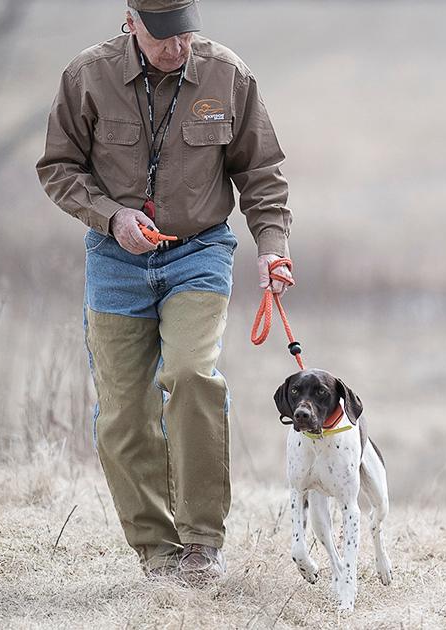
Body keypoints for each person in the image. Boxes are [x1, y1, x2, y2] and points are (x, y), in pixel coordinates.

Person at [36, 0, 294, 585]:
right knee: (124, 414)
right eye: (162, 37)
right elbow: (58, 167)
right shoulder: (86, 77)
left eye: (185, 34)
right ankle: (158, 552)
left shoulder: (228, 75)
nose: (177, 48)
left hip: (199, 253)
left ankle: (202, 542)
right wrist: (109, 217)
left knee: (191, 375)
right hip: (115, 260)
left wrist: (272, 245)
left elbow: (261, 172)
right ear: (131, 22)